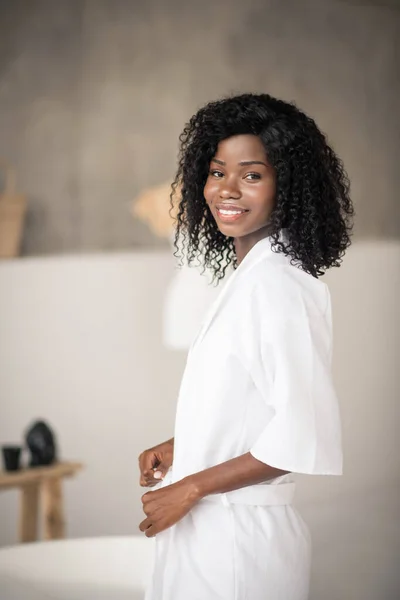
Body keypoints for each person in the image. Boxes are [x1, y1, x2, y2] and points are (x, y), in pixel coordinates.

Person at [138, 93, 353, 600]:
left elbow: (303, 431)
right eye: (217, 172)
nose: (227, 190)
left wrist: (190, 486)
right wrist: (186, 444)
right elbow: (254, 402)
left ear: (288, 185)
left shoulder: (280, 287)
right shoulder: (246, 278)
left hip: (239, 549)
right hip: (216, 537)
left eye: (252, 175)